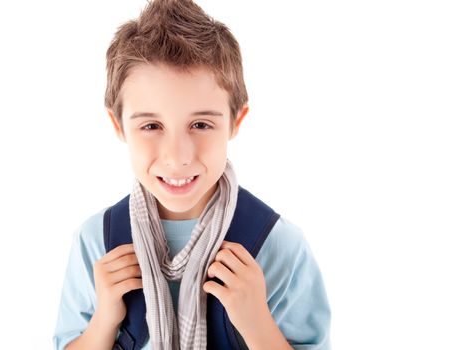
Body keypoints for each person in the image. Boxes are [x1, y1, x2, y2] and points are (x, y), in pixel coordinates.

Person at [53, 0, 331, 349]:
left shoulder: (277, 246)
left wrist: (257, 323)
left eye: (201, 124)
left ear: (235, 121)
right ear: (118, 125)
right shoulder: (97, 241)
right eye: (151, 125)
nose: (177, 157)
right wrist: (104, 321)